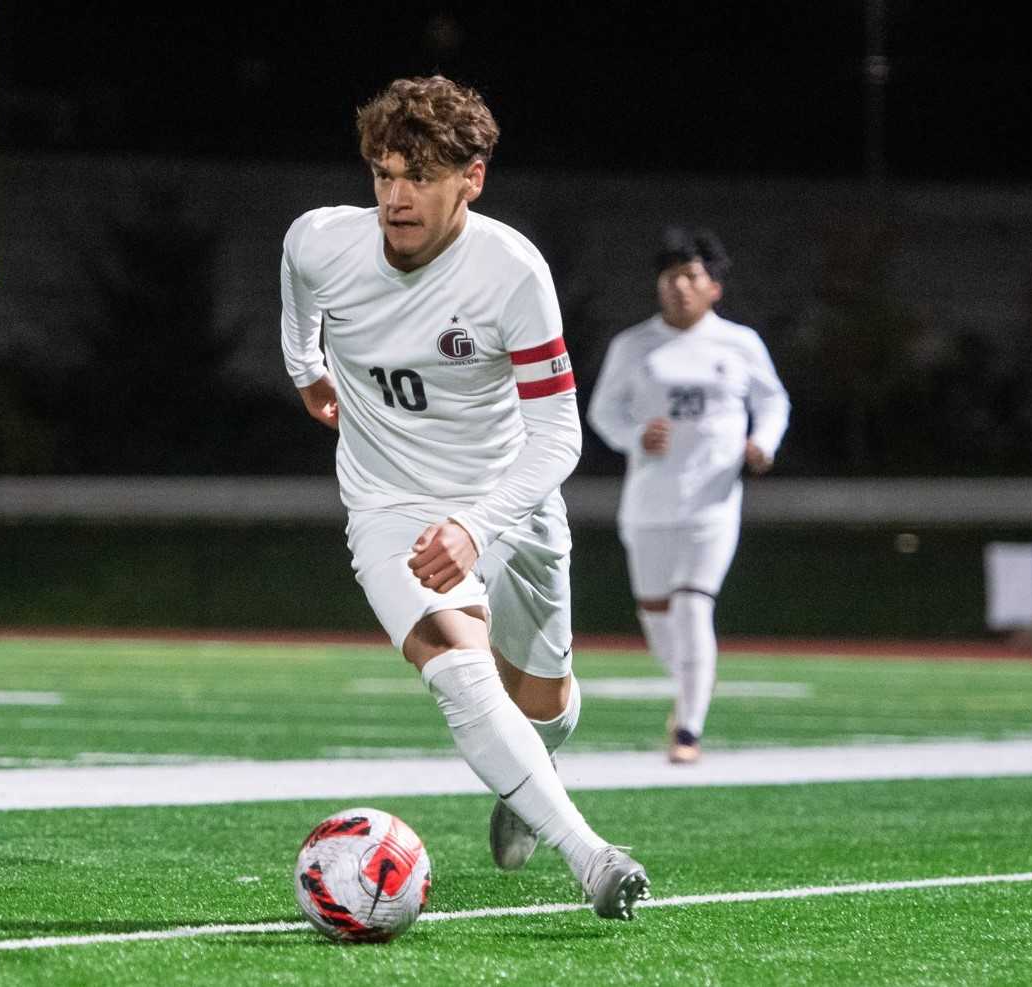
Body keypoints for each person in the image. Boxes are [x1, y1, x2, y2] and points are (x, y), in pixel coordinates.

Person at [280, 76, 650, 920]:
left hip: (506, 503)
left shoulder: (511, 271)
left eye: (418, 176)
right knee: (458, 670)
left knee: (547, 705)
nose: (395, 197)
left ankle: (528, 777)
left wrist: (478, 525)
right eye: (382, 174)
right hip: (388, 506)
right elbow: (296, 290)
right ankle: (589, 856)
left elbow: (559, 435)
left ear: (471, 180)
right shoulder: (322, 241)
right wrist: (307, 367)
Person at [588, 227, 789, 764]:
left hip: (713, 503)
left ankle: (688, 733)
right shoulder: (633, 345)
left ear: (714, 288)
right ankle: (693, 685)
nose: (678, 286)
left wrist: (763, 444)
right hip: (650, 504)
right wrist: (635, 437)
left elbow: (774, 403)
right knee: (658, 624)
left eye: (690, 276)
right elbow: (603, 411)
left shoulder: (740, 344)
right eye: (669, 276)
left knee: (693, 608)